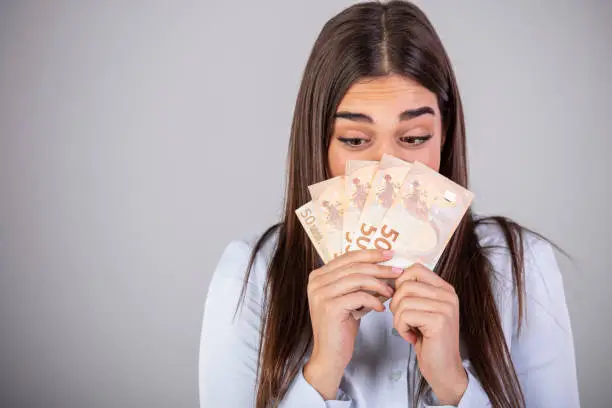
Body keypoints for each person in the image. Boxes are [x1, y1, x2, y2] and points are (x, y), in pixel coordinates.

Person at [198, 1, 580, 407]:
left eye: (414, 137)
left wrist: (454, 383)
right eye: (355, 140)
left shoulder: (520, 265)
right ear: (319, 142)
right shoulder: (250, 274)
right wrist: (324, 369)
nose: (387, 169)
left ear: (444, 134)